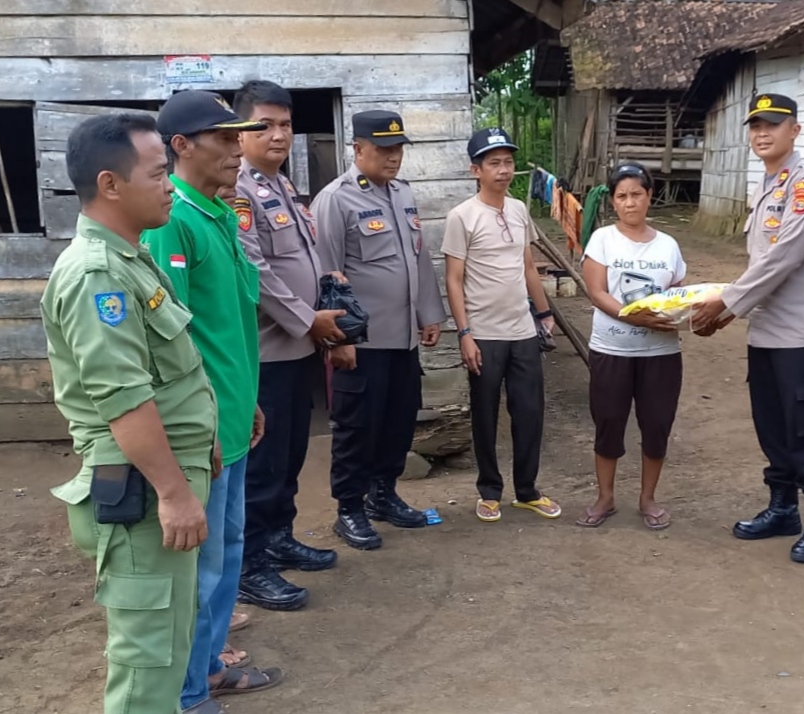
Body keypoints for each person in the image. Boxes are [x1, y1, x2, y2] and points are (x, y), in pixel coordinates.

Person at [41, 112, 218, 713]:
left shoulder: (130, 257)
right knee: (146, 666)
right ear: (110, 183)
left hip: (161, 477)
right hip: (141, 491)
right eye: (159, 173)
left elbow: (166, 373)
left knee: (167, 646)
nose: (171, 185)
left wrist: (204, 439)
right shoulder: (98, 275)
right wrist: (173, 490)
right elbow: (125, 399)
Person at [142, 90, 283, 712]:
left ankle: (208, 667)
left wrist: (246, 400)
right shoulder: (173, 221)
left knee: (224, 558)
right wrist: (198, 425)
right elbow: (166, 342)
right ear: (181, 147)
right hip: (199, 433)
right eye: (225, 139)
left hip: (231, 420)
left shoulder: (221, 214)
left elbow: (228, 328)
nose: (239, 149)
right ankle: (187, 693)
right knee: (195, 574)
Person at [691, 93, 804, 565]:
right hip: (767, 329)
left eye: (773, 125)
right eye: (756, 125)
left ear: (794, 130)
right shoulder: (765, 186)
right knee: (773, 424)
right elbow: (762, 264)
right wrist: (733, 310)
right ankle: (783, 507)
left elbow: (785, 255)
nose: (762, 133)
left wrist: (728, 303)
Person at [311, 110, 447, 550]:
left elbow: (418, 258)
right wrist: (340, 340)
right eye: (384, 149)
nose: (393, 158)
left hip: (403, 336)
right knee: (356, 426)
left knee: (398, 418)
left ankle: (383, 495)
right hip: (362, 342)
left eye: (398, 149)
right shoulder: (336, 199)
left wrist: (430, 313)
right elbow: (326, 274)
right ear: (358, 148)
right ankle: (349, 508)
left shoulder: (403, 194)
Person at [231, 80, 342, 611]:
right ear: (241, 130)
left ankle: (279, 537)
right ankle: (251, 562)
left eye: (285, 124)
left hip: (301, 347)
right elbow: (254, 270)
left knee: (293, 452)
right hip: (269, 351)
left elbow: (307, 260)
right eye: (265, 125)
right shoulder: (239, 191)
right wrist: (308, 319)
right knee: (264, 460)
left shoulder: (283, 187)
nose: (278, 135)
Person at [443, 127, 562, 523]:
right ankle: (489, 489)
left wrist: (544, 315)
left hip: (522, 332)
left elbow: (528, 266)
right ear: (475, 169)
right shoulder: (462, 216)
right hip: (484, 335)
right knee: (485, 413)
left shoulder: (517, 210)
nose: (504, 170)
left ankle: (527, 490)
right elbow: (454, 279)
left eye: (508, 162)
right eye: (494, 163)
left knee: (530, 412)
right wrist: (464, 333)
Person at [576, 162, 685, 530]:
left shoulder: (668, 245)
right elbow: (596, 292)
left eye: (637, 194)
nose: (630, 203)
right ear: (613, 201)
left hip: (661, 353)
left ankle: (648, 498)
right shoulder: (603, 239)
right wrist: (630, 315)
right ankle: (605, 497)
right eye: (621, 196)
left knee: (656, 425)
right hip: (612, 350)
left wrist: (691, 313)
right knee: (608, 423)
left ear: (649, 196)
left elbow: (680, 294)